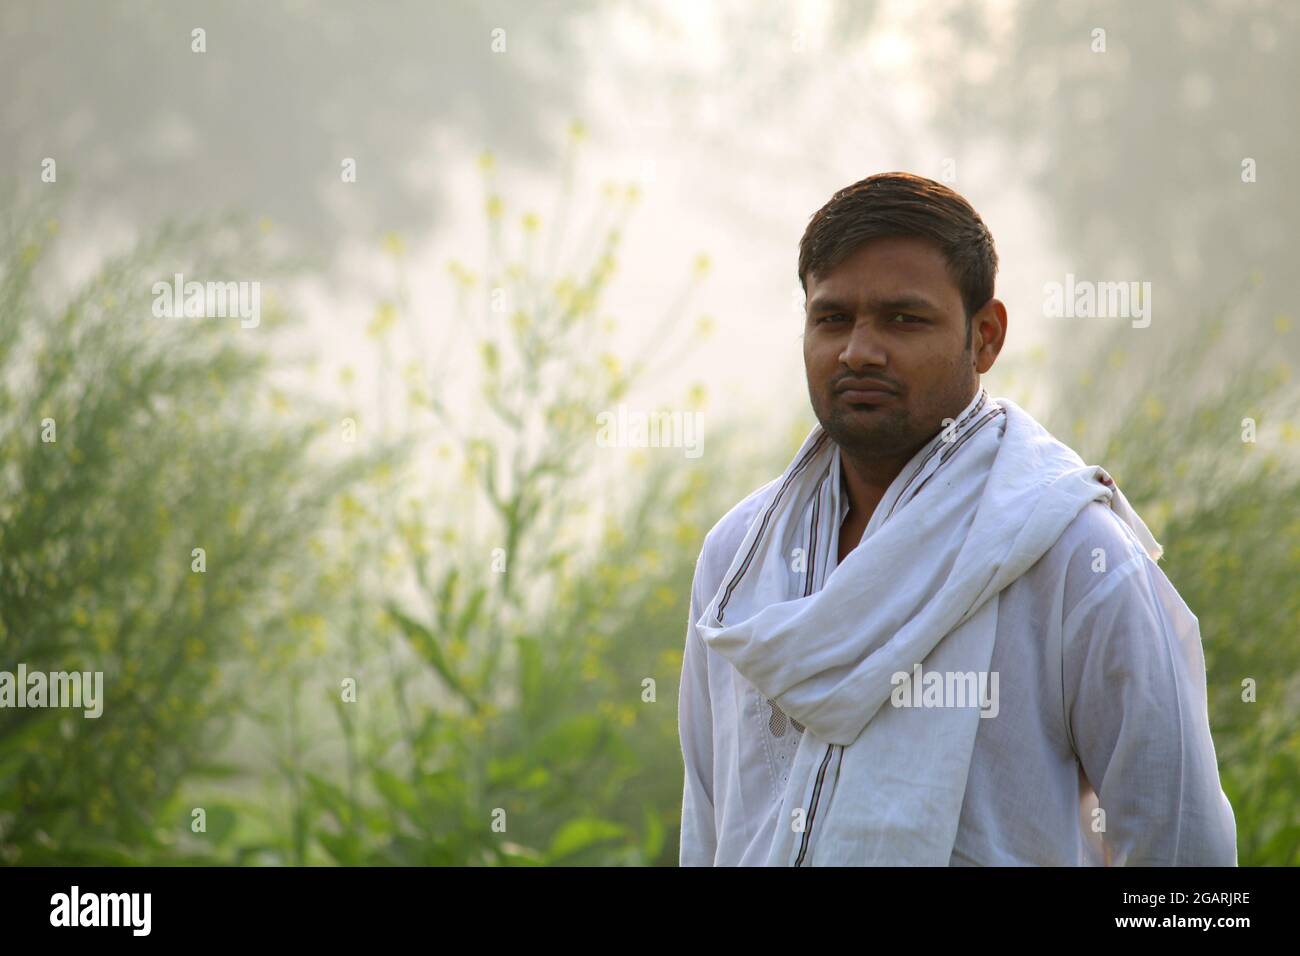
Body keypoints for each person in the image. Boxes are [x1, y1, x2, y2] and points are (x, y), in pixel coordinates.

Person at [677, 172, 1237, 866]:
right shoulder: (740, 558)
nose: (859, 350)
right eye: (832, 318)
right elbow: (707, 825)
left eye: (903, 319)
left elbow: (1181, 842)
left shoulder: (1071, 554)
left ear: (986, 337)